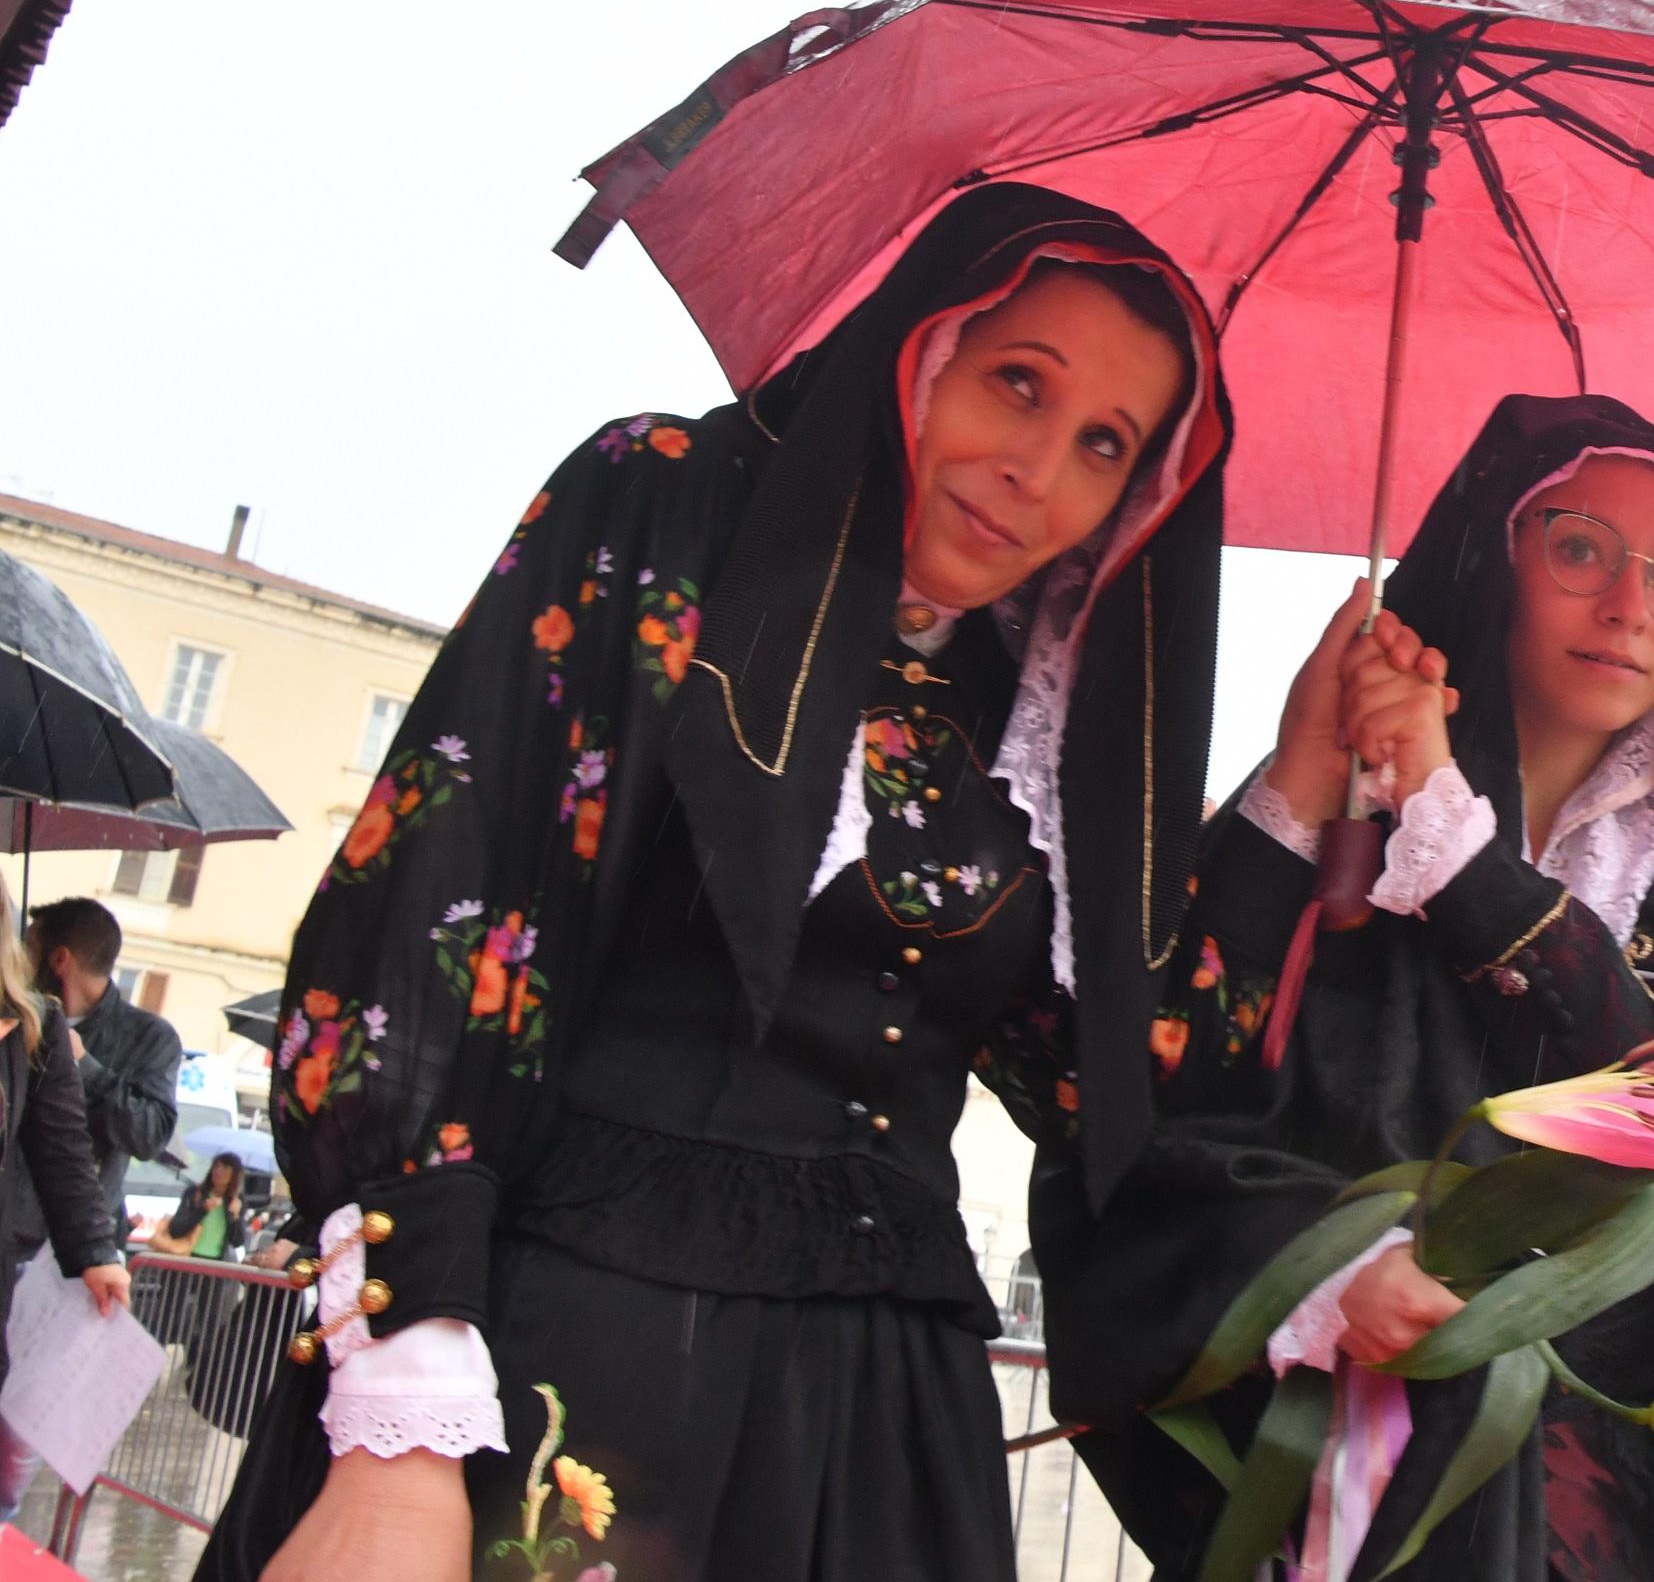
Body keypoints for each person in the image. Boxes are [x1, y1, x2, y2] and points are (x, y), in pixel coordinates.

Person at [202, 183, 1315, 1582]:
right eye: (1017, 384)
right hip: (560, 1350)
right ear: (921, 349)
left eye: (1104, 443)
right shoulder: (668, 500)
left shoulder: (1029, 711)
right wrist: (405, 1414)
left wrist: (1304, 781)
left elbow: (1108, 1085)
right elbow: (435, 915)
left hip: (878, 1425)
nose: (1037, 468)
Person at [1064, 395, 1654, 1582]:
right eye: (1582, 546)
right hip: (1337, 1457)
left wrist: (1453, 839)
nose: (1630, 607)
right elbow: (1167, 1083)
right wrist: (1300, 779)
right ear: (1501, 562)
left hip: (1599, 1504)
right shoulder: (1336, 817)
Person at [0, 897, 163, 1518]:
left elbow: (70, 1148)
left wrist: (96, 1251)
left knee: (13, 1443)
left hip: (42, 1258)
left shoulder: (35, 1026)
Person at [7, 898, 181, 1242]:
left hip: (73, 1244)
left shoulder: (149, 1037)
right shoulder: (15, 1018)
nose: (18, 962)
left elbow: (149, 1135)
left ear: (59, 960)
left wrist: (83, 1066)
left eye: (27, 949)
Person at [158, 1152, 248, 1260]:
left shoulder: (236, 1201)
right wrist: (202, 1210)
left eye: (225, 1167)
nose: (218, 1171)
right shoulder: (195, 1193)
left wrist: (235, 1217)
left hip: (216, 1262)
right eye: (216, 1166)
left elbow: (238, 1242)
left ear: (234, 1174)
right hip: (186, 1256)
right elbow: (175, 1229)